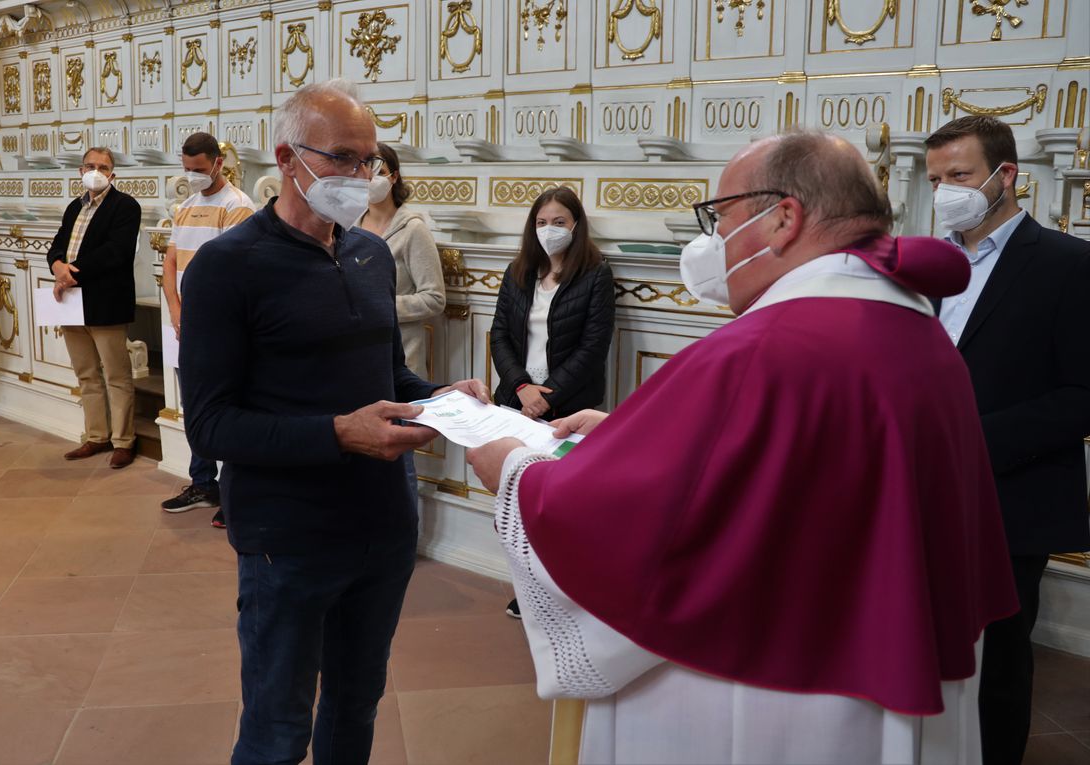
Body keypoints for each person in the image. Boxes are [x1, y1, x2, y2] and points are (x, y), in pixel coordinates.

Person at [467, 131, 1020, 764]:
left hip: (768, 699)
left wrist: (514, 469)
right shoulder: (911, 325)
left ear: (784, 218)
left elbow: (649, 526)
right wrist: (628, 432)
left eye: (720, 217)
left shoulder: (762, 349)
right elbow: (782, 468)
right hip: (871, 666)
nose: (712, 242)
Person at [178, 78, 490, 765]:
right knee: (277, 727)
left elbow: (390, 380)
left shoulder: (368, 254)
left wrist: (445, 399)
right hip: (287, 538)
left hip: (382, 523)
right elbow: (210, 425)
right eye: (343, 159)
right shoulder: (226, 268)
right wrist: (338, 432)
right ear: (288, 158)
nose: (360, 176)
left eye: (369, 161)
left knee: (356, 706)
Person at [924, 115, 1090, 765]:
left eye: (959, 177)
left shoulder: (1068, 265)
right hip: (925, 490)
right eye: (936, 179)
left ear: (1005, 175)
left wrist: (967, 444)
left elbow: (1082, 395)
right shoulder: (930, 266)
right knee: (932, 650)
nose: (944, 193)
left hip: (1010, 495)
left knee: (998, 665)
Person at [488, 186, 615, 618]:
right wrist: (522, 387)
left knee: (560, 504)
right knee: (517, 496)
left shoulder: (595, 273)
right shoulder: (518, 272)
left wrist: (548, 396)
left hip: (570, 405)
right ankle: (526, 589)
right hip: (518, 399)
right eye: (542, 222)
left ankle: (560, 590)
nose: (549, 230)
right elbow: (499, 335)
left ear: (576, 225)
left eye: (559, 222)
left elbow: (593, 346)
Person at [159, 132, 256, 527]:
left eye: (199, 169)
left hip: (219, 327)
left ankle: (236, 493)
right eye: (187, 170)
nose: (193, 176)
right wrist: (177, 311)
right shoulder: (185, 206)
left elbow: (231, 274)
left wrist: (200, 318)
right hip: (187, 324)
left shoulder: (237, 207)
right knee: (195, 407)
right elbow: (170, 263)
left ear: (218, 162)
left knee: (227, 409)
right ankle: (202, 483)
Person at [358, 141, 446, 517]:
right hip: (357, 360)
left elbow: (434, 299)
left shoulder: (412, 230)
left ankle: (403, 537)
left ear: (393, 176)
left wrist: (380, 308)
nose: (370, 177)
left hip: (401, 362)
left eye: (378, 169)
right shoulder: (350, 224)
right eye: (363, 168)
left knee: (398, 461)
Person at [47, 147, 142, 469]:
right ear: (80, 170)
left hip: (106, 300)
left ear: (113, 174)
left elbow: (116, 251)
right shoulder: (75, 206)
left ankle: (124, 441)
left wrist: (71, 273)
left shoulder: (125, 206)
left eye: (103, 167)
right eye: (90, 165)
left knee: (116, 375)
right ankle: (96, 436)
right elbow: (59, 242)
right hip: (72, 302)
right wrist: (57, 264)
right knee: (86, 374)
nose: (96, 171)